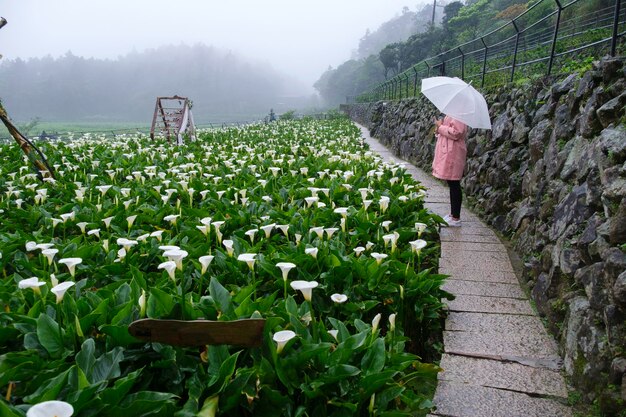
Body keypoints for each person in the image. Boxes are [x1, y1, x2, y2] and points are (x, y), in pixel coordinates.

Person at [432, 115, 468, 227]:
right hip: (449, 151)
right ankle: (453, 214)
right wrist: (439, 128)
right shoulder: (453, 113)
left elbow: (457, 133)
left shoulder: (459, 113)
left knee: (454, 183)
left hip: (453, 152)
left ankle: (456, 218)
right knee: (451, 182)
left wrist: (440, 127)